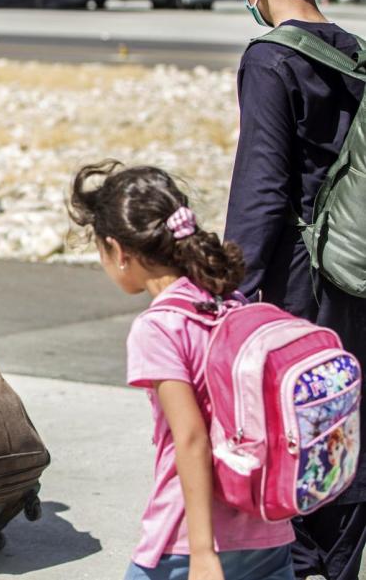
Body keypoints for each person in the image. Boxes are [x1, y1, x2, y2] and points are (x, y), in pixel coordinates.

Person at [68, 161, 297, 580]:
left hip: (186, 540)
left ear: (120, 252)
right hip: (267, 528)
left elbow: (190, 438)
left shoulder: (158, 328)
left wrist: (201, 551)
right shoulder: (230, 303)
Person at [224, 0, 366, 580]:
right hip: (356, 273)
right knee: (346, 422)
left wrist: (230, 287)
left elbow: (262, 185)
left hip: (300, 285)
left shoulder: (271, 58)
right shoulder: (355, 52)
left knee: (297, 430)